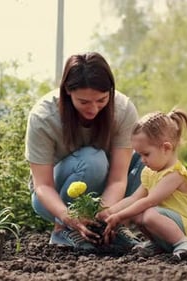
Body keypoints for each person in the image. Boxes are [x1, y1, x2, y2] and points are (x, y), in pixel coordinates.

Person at [24, 52, 144, 250]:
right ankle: (63, 230)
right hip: (53, 199)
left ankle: (109, 228)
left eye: (102, 100)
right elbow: (43, 186)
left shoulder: (123, 110)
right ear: (67, 92)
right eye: (84, 102)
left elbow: (118, 179)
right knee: (93, 160)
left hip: (105, 194)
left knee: (148, 160)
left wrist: (107, 213)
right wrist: (67, 217)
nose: (94, 109)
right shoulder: (44, 117)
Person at [96, 109, 187, 259]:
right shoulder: (150, 173)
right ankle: (159, 244)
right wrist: (110, 211)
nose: (142, 160)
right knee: (140, 214)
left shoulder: (174, 174)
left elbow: (148, 201)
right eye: (139, 154)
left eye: (146, 154)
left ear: (166, 148)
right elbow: (134, 199)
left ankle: (186, 245)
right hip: (171, 225)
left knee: (148, 213)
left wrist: (119, 216)